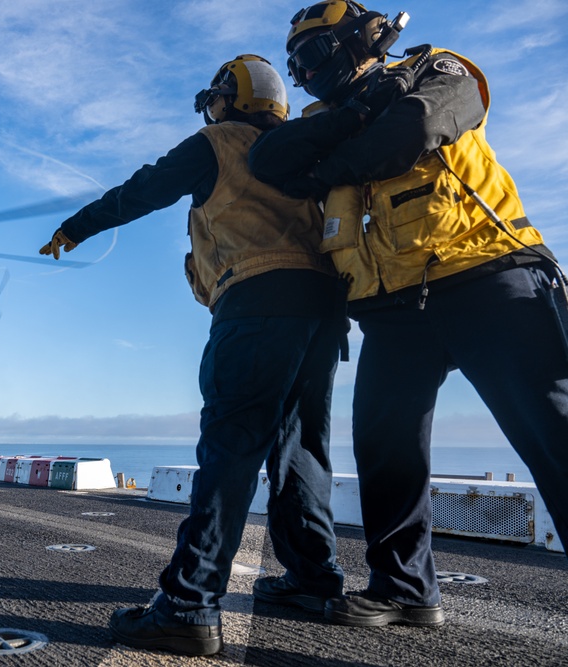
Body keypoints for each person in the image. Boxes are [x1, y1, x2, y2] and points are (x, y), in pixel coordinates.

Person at [249, 0, 568, 628]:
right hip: (392, 308)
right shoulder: (328, 116)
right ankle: (403, 590)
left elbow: (415, 131)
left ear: (360, 40)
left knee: (555, 437)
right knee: (385, 446)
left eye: (312, 56)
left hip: (489, 277)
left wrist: (335, 159)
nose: (306, 73)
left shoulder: (439, 69)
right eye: (296, 65)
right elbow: (270, 163)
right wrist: (361, 114)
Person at [40, 54, 346, 656]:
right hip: (323, 307)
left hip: (257, 304)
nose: (211, 110)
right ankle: (315, 581)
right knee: (302, 448)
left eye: (214, 100)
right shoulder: (304, 147)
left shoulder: (220, 141)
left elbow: (145, 188)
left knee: (230, 450)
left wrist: (77, 225)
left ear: (231, 100)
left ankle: (189, 603)